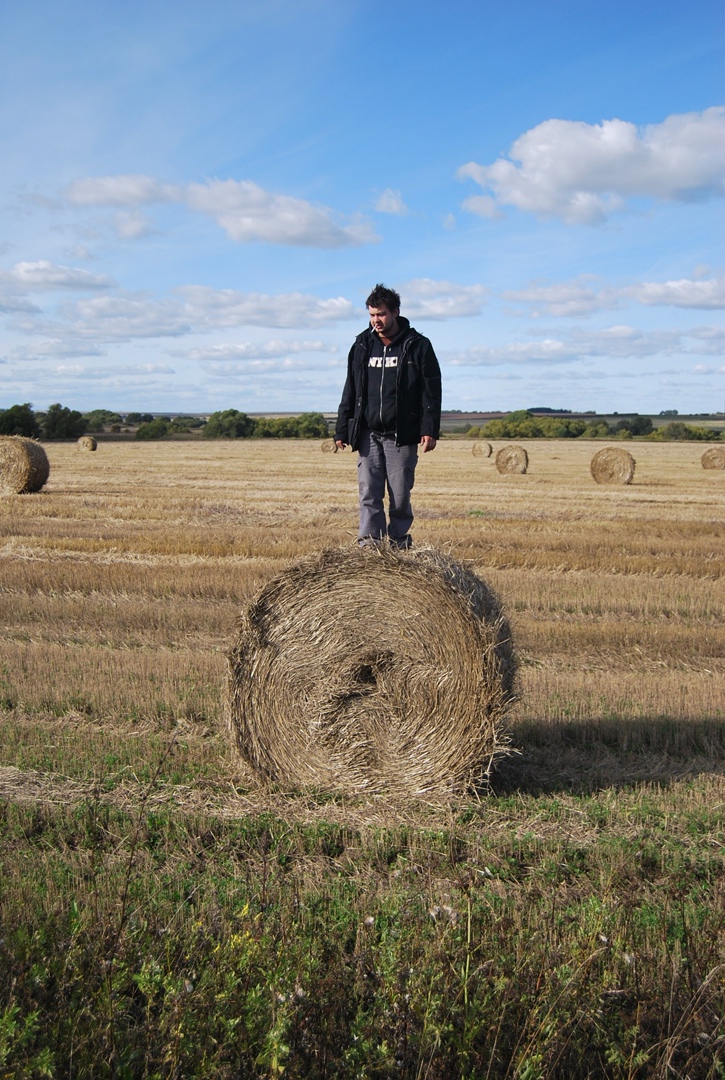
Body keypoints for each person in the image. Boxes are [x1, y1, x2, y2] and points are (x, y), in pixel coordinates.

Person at [335, 283, 442, 548]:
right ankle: (370, 546)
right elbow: (351, 387)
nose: (376, 321)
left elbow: (431, 390)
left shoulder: (417, 345)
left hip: (402, 433)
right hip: (367, 432)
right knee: (369, 493)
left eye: (380, 314)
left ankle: (398, 543)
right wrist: (342, 428)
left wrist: (429, 428)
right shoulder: (361, 345)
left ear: (395, 312)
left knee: (400, 495)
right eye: (372, 315)